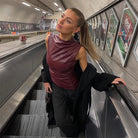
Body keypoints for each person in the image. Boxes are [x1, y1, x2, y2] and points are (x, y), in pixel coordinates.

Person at [42, 8, 126, 137]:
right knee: (62, 121)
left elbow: (87, 73)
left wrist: (108, 79)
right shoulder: (49, 39)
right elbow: (48, 61)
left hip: (74, 90)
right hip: (57, 88)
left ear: (76, 29)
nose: (61, 20)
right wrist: (46, 80)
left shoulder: (79, 50)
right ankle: (74, 134)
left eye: (68, 21)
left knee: (75, 115)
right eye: (62, 16)